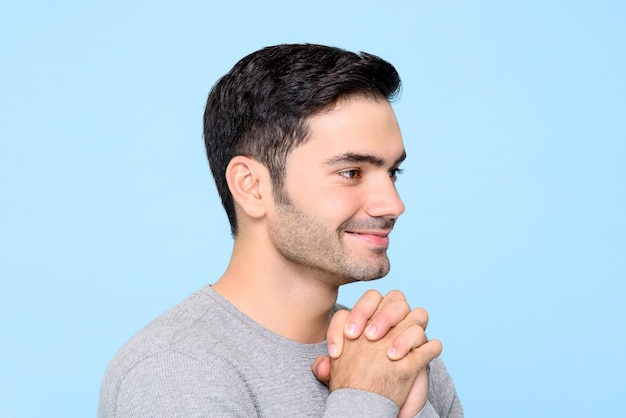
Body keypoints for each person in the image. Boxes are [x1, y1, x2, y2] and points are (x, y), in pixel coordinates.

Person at [99, 43, 462, 417]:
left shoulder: (392, 353)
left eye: (392, 173)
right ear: (252, 186)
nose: (392, 204)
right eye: (351, 173)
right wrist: (366, 398)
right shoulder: (174, 371)